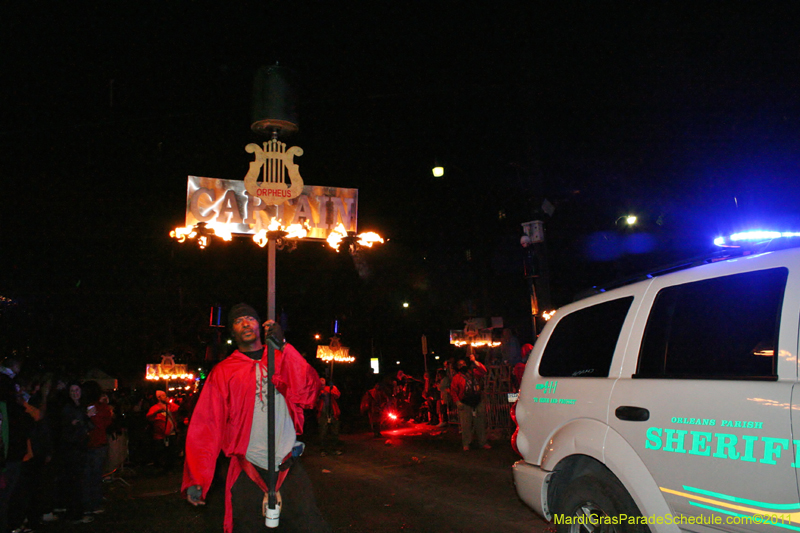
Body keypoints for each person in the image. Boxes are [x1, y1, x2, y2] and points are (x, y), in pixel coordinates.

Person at [182, 303, 330, 533]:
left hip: (287, 465)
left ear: (260, 325)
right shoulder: (223, 372)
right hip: (248, 467)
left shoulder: (282, 359)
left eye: (250, 318)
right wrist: (197, 478)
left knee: (311, 527)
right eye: (238, 321)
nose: (245, 323)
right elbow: (206, 425)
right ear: (232, 331)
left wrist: (283, 345)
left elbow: (309, 391)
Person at [59, 382, 93, 523]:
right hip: (72, 448)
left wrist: (86, 420)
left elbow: (89, 425)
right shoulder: (68, 408)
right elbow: (68, 426)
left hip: (80, 446)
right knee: (74, 481)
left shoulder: (81, 406)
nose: (75, 393)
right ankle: (74, 512)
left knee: (78, 480)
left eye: (77, 390)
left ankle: (77, 511)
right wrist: (81, 421)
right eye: (72, 390)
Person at [82, 380, 113, 515]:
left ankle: (89, 502)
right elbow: (107, 422)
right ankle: (94, 502)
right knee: (95, 476)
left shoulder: (85, 407)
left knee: (88, 476)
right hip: (98, 444)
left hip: (88, 444)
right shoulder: (101, 408)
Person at [450, 354, 490, 451]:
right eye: (460, 365)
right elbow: (453, 391)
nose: (462, 366)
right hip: (465, 403)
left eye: (464, 363)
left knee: (480, 424)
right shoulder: (456, 378)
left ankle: (482, 442)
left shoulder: (473, 373)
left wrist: (474, 361)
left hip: (477, 400)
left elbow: (483, 371)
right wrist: (457, 402)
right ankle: (466, 443)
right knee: (466, 425)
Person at [146, 389, 179, 473]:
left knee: (172, 451)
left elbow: (178, 409)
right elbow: (149, 417)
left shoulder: (170, 406)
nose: (165, 397)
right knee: (161, 451)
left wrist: (170, 403)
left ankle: (170, 467)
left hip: (171, 433)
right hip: (160, 434)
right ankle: (162, 467)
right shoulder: (154, 408)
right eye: (163, 396)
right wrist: (157, 412)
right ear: (159, 398)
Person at [316, 377, 342, 456]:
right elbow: (313, 401)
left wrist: (332, 388)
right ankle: (323, 450)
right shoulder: (316, 390)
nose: (322, 381)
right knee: (323, 432)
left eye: (323, 380)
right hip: (323, 413)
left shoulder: (329, 388)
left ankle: (335, 449)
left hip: (332, 412)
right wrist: (319, 397)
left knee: (335, 431)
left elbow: (337, 395)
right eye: (320, 380)